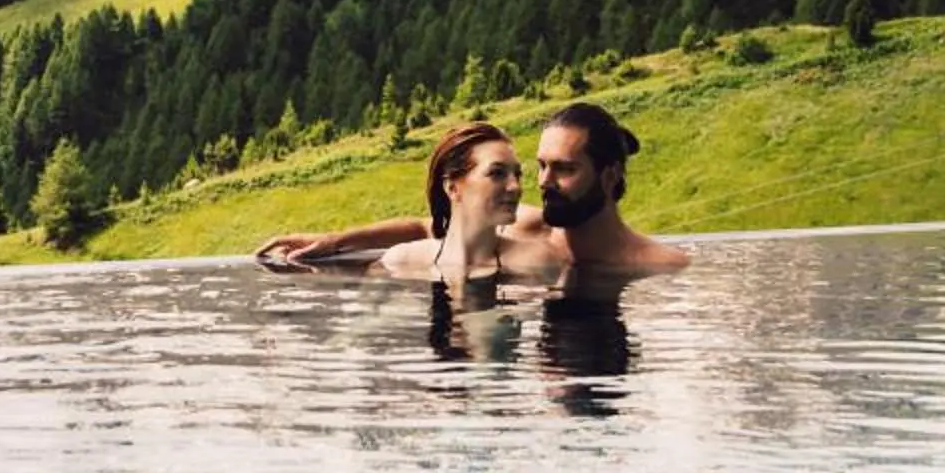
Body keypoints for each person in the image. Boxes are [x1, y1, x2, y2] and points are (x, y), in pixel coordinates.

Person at [254, 101, 691, 276]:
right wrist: (332, 242)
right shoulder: (531, 230)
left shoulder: (659, 266)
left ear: (610, 176)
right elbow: (429, 225)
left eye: (564, 169)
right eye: (540, 167)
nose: (541, 183)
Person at [373, 122, 522, 284]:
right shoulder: (399, 262)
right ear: (452, 188)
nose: (516, 186)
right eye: (497, 173)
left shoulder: (535, 262)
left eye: (517, 174)